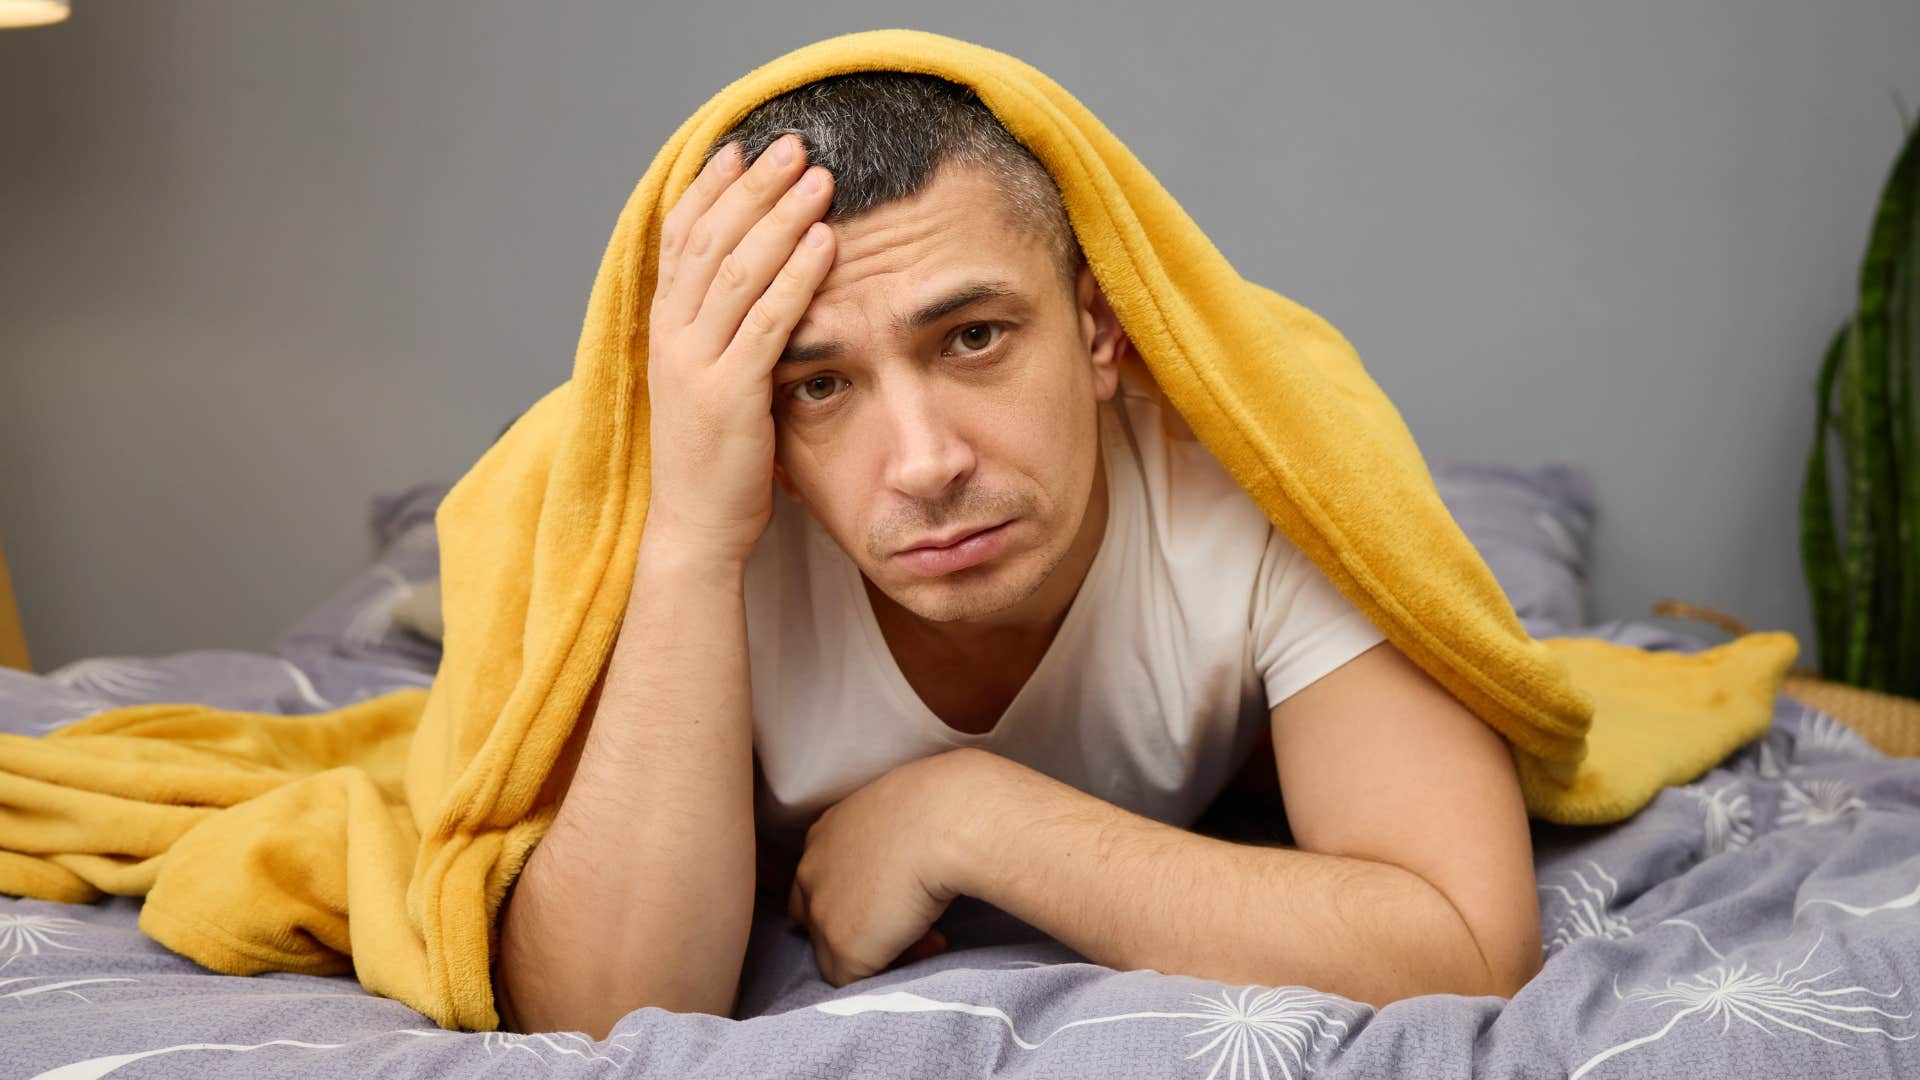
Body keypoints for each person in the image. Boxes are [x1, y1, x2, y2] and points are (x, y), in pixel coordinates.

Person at [492, 73, 1543, 1039]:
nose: (924, 464)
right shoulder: (693, 502)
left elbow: (1469, 952)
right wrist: (688, 546)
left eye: (973, 338)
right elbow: (597, 1021)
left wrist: (973, 814)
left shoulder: (1268, 466)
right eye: (818, 386)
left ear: (1099, 328)